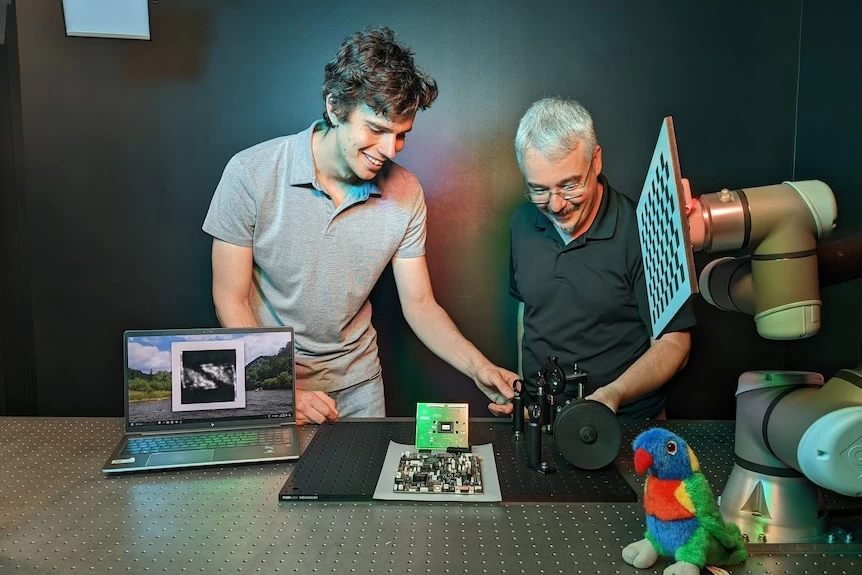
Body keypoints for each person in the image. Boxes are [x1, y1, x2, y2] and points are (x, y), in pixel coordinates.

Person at [202, 26, 517, 425]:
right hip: (269, 380)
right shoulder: (250, 173)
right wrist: (277, 391)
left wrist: (480, 369)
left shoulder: (406, 193)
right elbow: (230, 299)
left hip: (358, 386)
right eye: (377, 130)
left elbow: (420, 305)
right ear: (335, 108)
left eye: (401, 135)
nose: (389, 151)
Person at [509, 97, 695, 420]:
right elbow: (527, 310)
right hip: (542, 419)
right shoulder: (521, 223)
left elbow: (675, 343)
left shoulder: (643, 227)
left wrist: (613, 394)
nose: (555, 206)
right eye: (539, 189)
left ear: (596, 162)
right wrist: (524, 396)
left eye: (569, 186)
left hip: (626, 425)